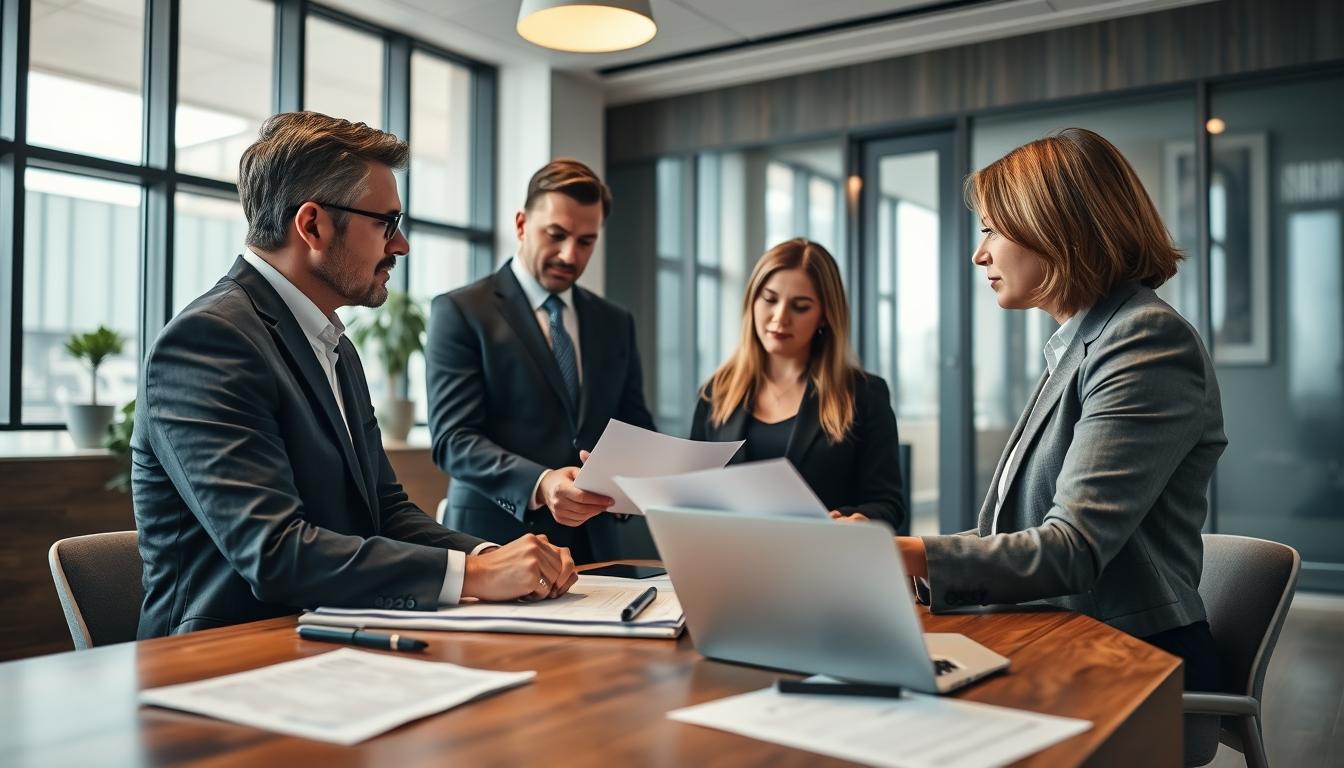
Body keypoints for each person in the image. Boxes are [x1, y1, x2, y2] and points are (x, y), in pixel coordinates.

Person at [132, 112, 576, 639]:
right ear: (313, 225)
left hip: (328, 636)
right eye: (386, 223)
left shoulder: (334, 345)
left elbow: (384, 511)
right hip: (222, 658)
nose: (401, 244)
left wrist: (490, 557)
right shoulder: (208, 341)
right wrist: (475, 576)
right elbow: (274, 553)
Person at [885, 128, 1227, 697]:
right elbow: (1017, 533)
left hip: (1130, 665)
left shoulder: (1144, 340)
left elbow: (1072, 549)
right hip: (1061, 638)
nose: (979, 254)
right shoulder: (1081, 345)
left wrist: (898, 552)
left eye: (991, 229)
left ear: (1055, 226)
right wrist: (904, 565)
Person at [426, 159, 655, 564]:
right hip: (495, 545)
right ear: (521, 225)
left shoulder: (615, 322)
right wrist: (542, 482)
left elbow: (633, 428)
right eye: (556, 235)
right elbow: (453, 440)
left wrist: (635, 480)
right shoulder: (461, 311)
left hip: (596, 548)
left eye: (586, 241)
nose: (569, 254)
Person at [690, 239, 906, 530]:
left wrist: (853, 519)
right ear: (751, 301)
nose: (780, 317)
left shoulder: (864, 395)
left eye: (800, 307)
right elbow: (693, 496)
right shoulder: (716, 393)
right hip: (731, 556)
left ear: (825, 316)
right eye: (769, 300)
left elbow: (888, 503)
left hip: (822, 555)